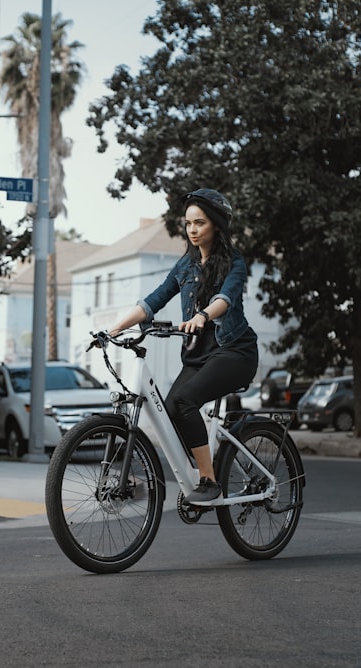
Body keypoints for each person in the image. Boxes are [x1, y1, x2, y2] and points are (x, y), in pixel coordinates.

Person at [109, 188, 258, 504]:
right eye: (189, 223)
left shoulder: (234, 261)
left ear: (215, 225)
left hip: (234, 352)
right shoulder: (185, 266)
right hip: (198, 355)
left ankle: (209, 479)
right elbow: (155, 300)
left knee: (185, 401)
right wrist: (116, 327)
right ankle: (195, 470)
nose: (192, 229)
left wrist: (203, 315)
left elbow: (226, 298)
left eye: (200, 223)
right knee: (173, 406)